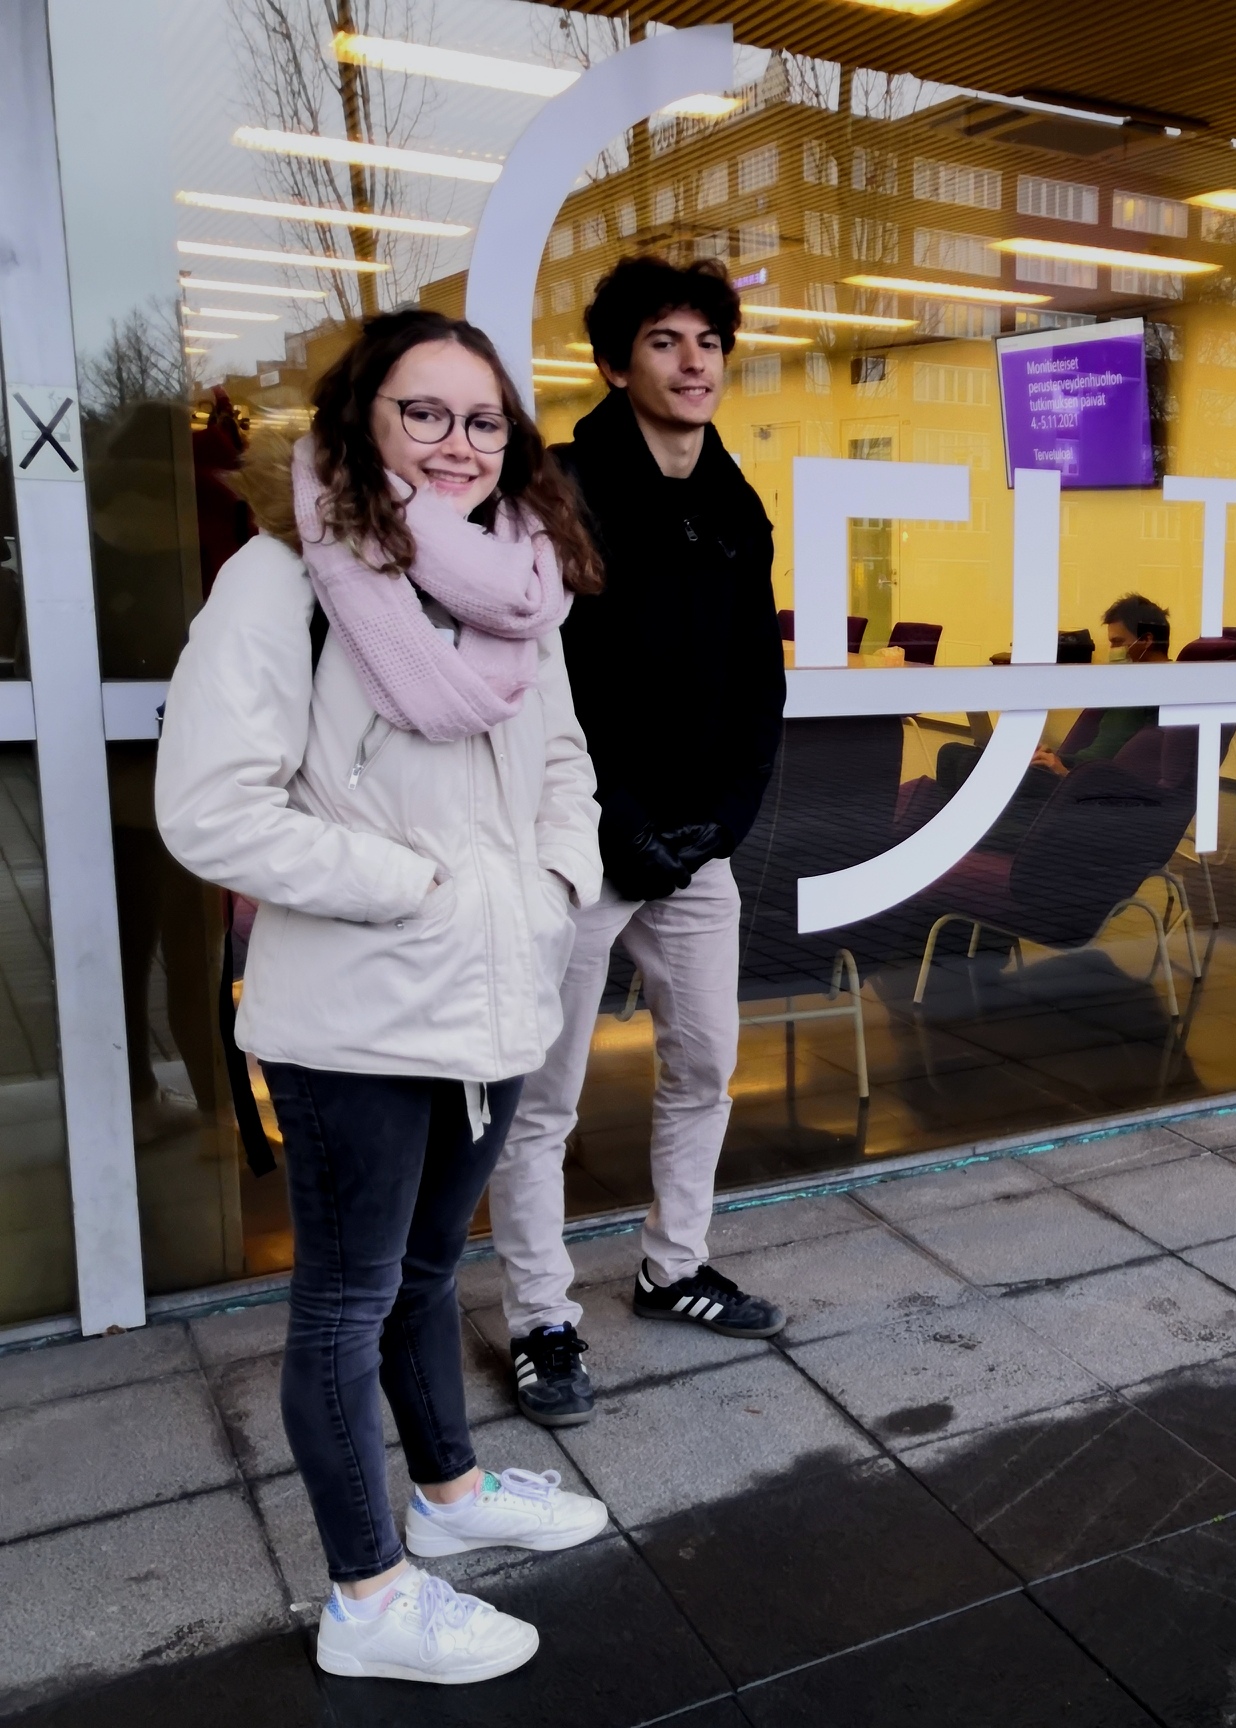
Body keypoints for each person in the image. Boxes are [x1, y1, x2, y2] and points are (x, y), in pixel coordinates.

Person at [154, 310, 611, 1683]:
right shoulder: (280, 583)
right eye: (425, 414)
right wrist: (416, 891)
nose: (458, 445)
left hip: (491, 1003)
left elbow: (567, 762)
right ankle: (366, 1598)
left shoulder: (527, 580)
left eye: (483, 421)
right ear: (361, 420)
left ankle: (453, 1500)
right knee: (346, 1304)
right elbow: (210, 812)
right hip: (353, 1014)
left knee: (428, 1272)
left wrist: (549, 885)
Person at [488, 256, 787, 1431]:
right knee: (542, 1098)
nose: (695, 360)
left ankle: (673, 1266)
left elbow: (756, 683)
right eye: (665, 341)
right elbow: (535, 681)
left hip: (698, 846)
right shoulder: (558, 490)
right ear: (617, 363)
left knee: (706, 1064)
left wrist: (723, 821)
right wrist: (613, 828)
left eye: (709, 340)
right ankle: (539, 1318)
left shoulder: (735, 498)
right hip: (582, 844)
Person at [930, 593, 1171, 850]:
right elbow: (1102, 744)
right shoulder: (1131, 681)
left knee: (970, 764)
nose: (1113, 651)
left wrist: (1062, 771)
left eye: (1118, 642)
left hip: (1082, 784)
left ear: (1146, 640)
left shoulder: (1165, 688)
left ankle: (963, 838)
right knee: (952, 753)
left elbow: (1135, 774)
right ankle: (962, 834)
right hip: (1073, 768)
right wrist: (1054, 756)